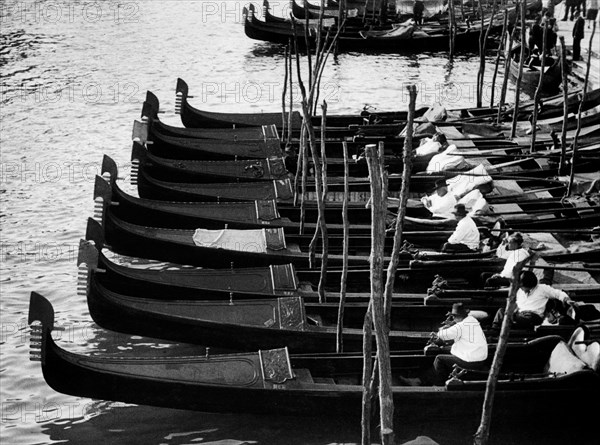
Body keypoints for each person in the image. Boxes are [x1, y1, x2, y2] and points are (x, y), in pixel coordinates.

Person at [491, 271, 576, 330]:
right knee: (501, 311)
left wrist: (567, 299)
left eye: (523, 287)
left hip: (533, 316)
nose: (521, 289)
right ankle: (495, 329)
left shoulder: (542, 288)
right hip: (520, 315)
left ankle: (508, 325)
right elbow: (518, 304)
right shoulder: (520, 291)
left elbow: (558, 293)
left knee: (518, 318)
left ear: (529, 285)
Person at [431, 303, 488, 385]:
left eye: (454, 316)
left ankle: (438, 385)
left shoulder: (461, 326)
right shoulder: (472, 320)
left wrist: (443, 328)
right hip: (479, 359)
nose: (453, 318)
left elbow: (442, 335)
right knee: (448, 351)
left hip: (470, 362)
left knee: (439, 359)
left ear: (458, 316)